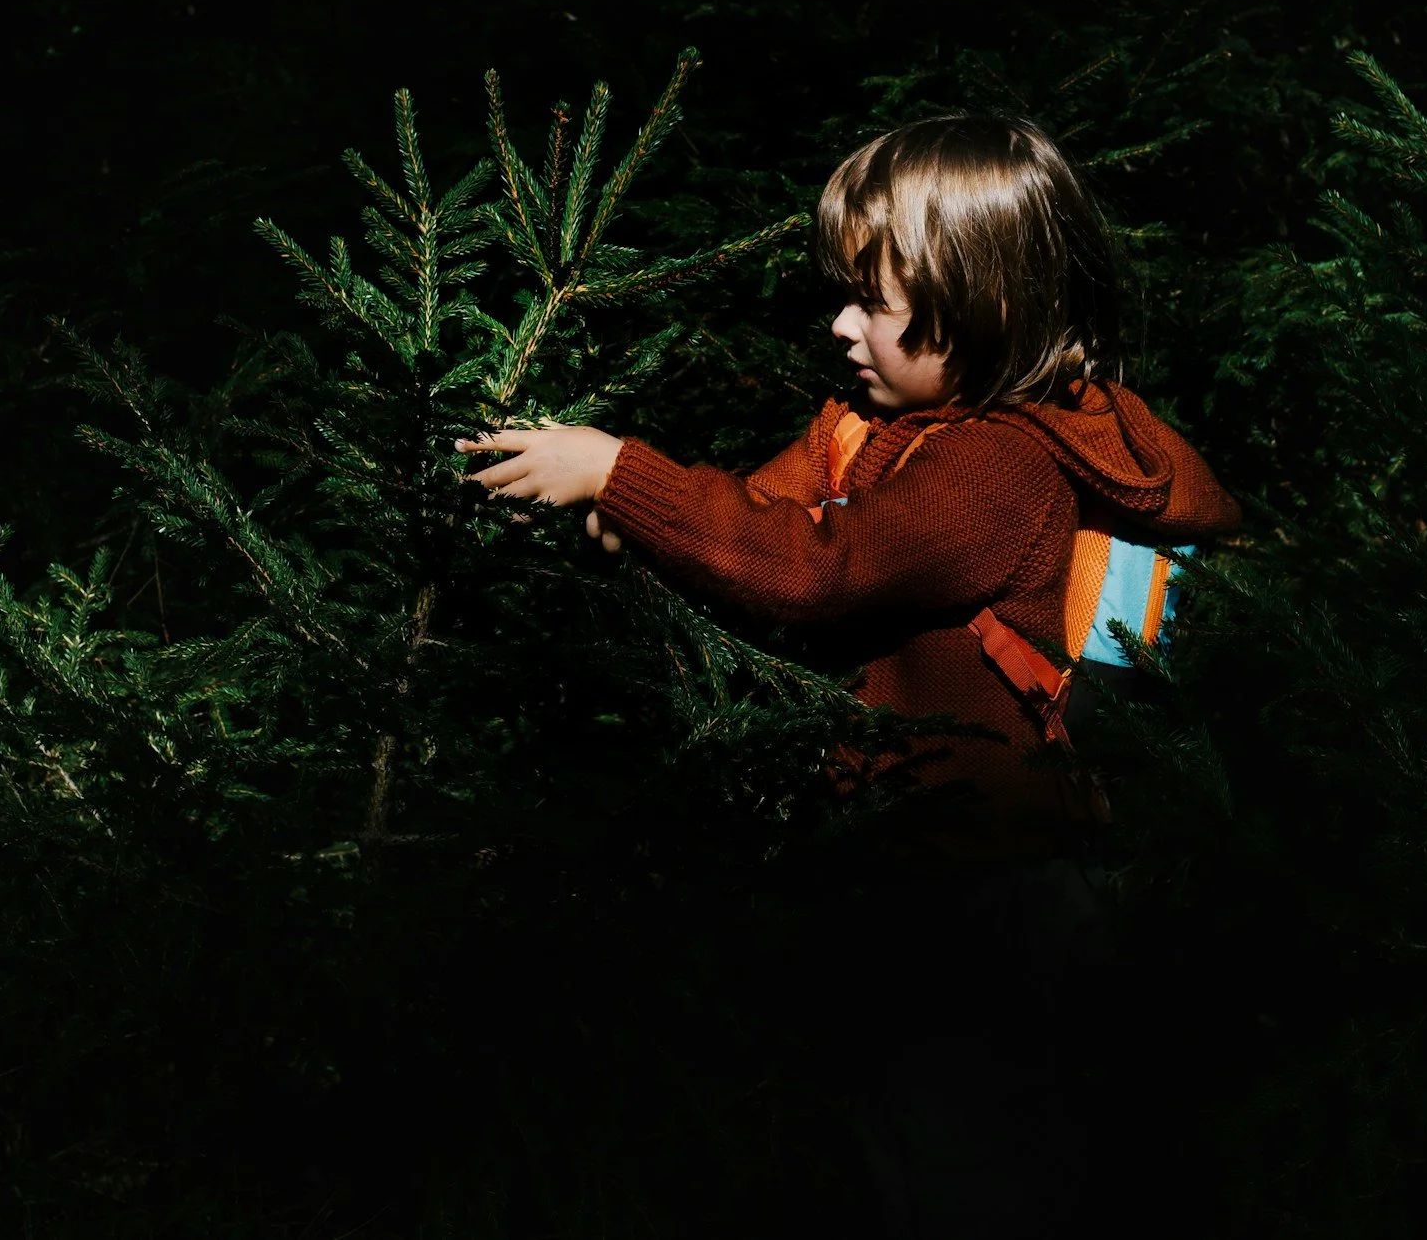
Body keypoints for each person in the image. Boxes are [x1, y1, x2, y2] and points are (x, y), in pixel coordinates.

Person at [459, 113, 1240, 1238]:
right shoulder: (882, 428)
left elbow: (820, 570)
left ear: (991, 305)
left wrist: (622, 473)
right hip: (903, 874)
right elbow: (761, 513)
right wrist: (649, 518)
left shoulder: (997, 462)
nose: (840, 324)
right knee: (902, 1158)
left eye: (873, 300)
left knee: (985, 1172)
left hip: (991, 893)